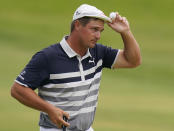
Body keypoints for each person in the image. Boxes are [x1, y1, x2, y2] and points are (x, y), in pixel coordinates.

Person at [11, 4, 141, 131]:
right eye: (94, 29)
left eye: (100, 31)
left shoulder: (97, 52)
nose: (98, 36)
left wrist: (126, 32)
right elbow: (18, 89)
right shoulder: (48, 57)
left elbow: (133, 61)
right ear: (78, 25)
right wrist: (49, 109)